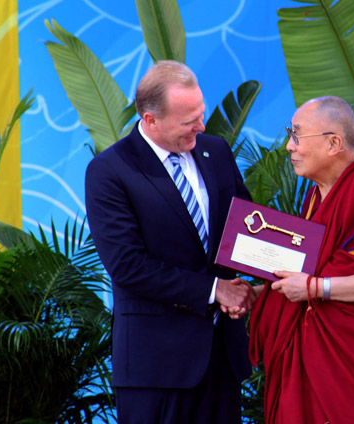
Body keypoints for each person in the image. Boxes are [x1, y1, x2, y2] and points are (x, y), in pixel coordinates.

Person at [85, 60, 255, 424]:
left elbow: (247, 228)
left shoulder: (216, 152)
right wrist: (215, 290)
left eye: (201, 113)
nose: (202, 126)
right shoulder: (110, 171)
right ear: (151, 120)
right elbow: (128, 266)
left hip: (221, 359)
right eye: (189, 121)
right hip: (156, 366)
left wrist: (283, 271)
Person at [249, 96, 354, 423]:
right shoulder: (315, 197)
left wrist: (315, 288)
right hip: (310, 367)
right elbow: (310, 271)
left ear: (333, 144)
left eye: (297, 135)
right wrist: (257, 293)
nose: (288, 146)